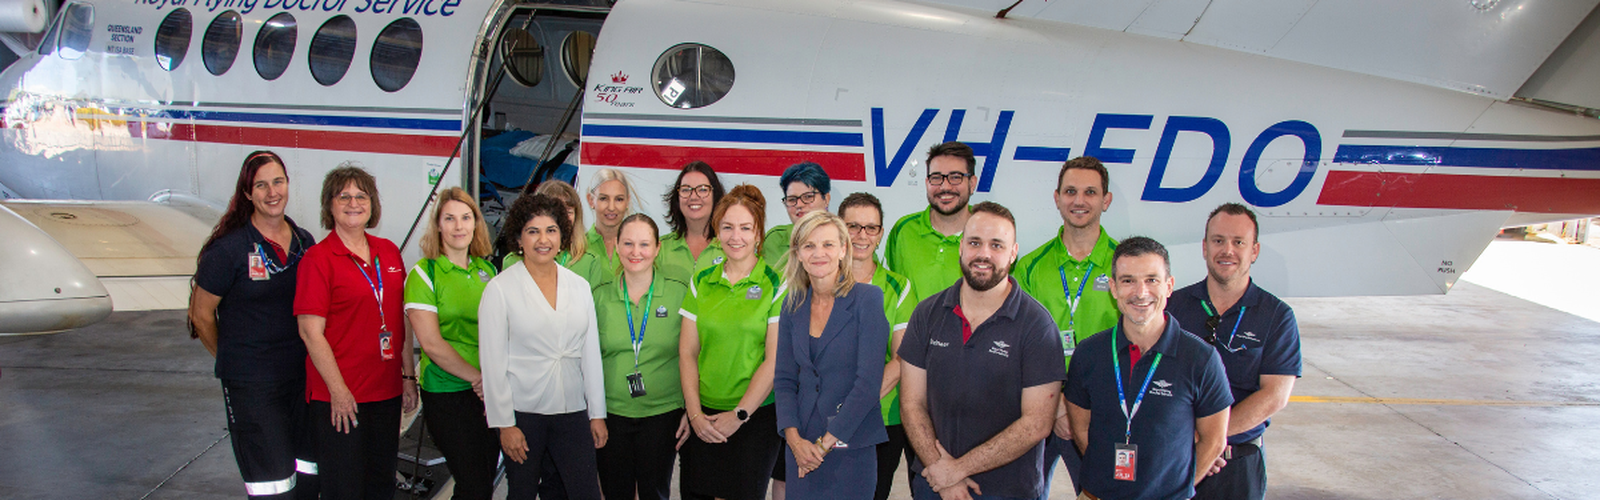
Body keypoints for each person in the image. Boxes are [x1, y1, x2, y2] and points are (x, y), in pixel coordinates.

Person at [898, 202, 1065, 500]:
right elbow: (911, 403)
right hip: (934, 483)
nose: (983, 254)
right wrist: (943, 473)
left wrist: (958, 469)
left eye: (996, 245)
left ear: (1013, 253)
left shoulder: (1037, 326)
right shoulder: (926, 314)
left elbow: (1037, 424)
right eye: (975, 242)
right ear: (961, 247)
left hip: (1008, 491)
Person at [190, 150, 318, 499]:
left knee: (310, 477)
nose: (272, 192)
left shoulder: (304, 242)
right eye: (261, 185)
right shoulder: (228, 250)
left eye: (278, 182)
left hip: (303, 379)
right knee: (274, 486)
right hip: (255, 386)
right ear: (247, 193)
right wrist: (234, 360)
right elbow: (201, 315)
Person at [1064, 237, 1232, 500]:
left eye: (1152, 280)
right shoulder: (1088, 354)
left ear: (1169, 286)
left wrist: (1176, 491)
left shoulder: (1201, 359)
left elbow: (1214, 441)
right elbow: (1081, 430)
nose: (1140, 293)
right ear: (1113, 288)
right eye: (1128, 280)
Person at [294, 164, 418, 500]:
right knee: (344, 489)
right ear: (329, 205)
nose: (354, 203)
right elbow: (310, 332)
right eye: (343, 196)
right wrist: (339, 391)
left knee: (380, 486)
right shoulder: (318, 259)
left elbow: (400, 319)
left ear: (372, 204)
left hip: (385, 394)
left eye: (361, 196)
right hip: (341, 399)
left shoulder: (388, 252)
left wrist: (408, 377)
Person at [1165, 204, 1302, 500]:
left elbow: (1274, 395)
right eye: (1218, 240)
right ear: (1204, 247)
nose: (1227, 250)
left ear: (1254, 251)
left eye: (1238, 242)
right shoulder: (1172, 307)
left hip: (1237, 464)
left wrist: (1210, 439)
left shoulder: (1277, 316)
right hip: (1176, 458)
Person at [479, 194, 607, 500]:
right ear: (518, 238)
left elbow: (590, 354)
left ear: (562, 237)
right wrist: (504, 425)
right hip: (523, 415)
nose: (543, 239)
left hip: (572, 410)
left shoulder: (579, 286)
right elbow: (493, 363)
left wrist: (597, 413)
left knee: (586, 493)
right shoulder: (499, 289)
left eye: (551, 230)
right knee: (522, 493)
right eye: (533, 231)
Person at [1014, 156, 1119, 495]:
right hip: (1038, 407)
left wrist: (1076, 411)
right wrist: (1057, 405)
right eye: (1070, 191)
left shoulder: (1125, 264)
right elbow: (1017, 345)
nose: (1079, 201)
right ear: (1057, 198)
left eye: (1090, 192)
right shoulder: (1030, 267)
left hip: (1102, 412)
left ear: (1106, 200)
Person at [677, 184, 786, 500]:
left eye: (745, 228)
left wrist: (739, 414)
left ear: (758, 234)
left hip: (755, 416)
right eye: (727, 227)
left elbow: (774, 360)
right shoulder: (701, 280)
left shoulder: (776, 284)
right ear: (717, 231)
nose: (735, 236)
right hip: (705, 415)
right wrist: (695, 414)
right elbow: (687, 352)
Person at [774, 210, 890, 499]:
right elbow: (784, 380)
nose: (818, 253)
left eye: (827, 244)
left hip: (850, 444)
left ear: (843, 250)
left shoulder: (868, 300)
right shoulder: (791, 304)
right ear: (798, 253)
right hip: (800, 447)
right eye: (809, 245)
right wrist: (795, 441)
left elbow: (867, 384)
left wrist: (822, 446)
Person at [402, 187, 500, 500]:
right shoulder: (424, 274)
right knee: (473, 484)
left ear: (476, 224)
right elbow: (431, 344)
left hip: (487, 393)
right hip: (447, 392)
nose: (459, 226)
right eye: (450, 219)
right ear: (438, 226)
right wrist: (478, 378)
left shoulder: (487, 271)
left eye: (466, 218)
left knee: (483, 482)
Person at [590, 214, 692, 500]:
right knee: (615, 492)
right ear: (617, 246)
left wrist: (690, 409)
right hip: (612, 413)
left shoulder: (679, 293)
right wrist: (593, 415)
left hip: (663, 413)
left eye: (644, 244)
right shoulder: (598, 297)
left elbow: (693, 353)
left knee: (655, 492)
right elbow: (587, 360)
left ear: (657, 248)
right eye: (628, 243)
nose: (636, 252)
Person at [837, 193, 920, 500]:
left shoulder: (899, 287)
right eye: (853, 226)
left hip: (881, 418)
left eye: (871, 228)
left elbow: (901, 359)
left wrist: (854, 404)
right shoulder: (818, 281)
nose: (862, 236)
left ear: (881, 233)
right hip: (823, 415)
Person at [886, 141, 976, 302]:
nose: (945, 187)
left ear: (972, 183)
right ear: (927, 183)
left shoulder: (986, 236)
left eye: (955, 177)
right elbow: (888, 290)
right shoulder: (903, 230)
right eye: (936, 178)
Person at [660, 161, 728, 278]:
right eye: (686, 190)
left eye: (703, 189)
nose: (693, 197)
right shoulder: (659, 249)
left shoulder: (731, 247)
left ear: (715, 195)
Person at [762, 162, 833, 269]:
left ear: (826, 199)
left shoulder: (842, 239)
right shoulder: (775, 241)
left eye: (808, 197)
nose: (799, 205)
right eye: (792, 199)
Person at [583, 168, 641, 279]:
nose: (611, 207)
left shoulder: (641, 249)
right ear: (591, 200)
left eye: (619, 199)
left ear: (627, 201)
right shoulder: (577, 247)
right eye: (603, 198)